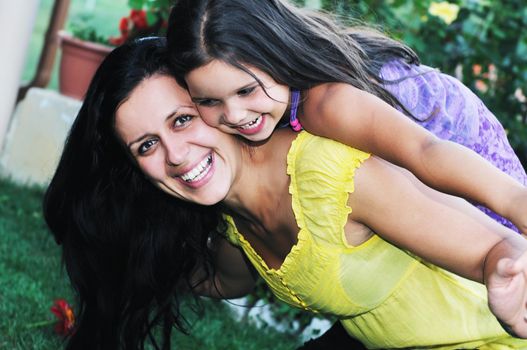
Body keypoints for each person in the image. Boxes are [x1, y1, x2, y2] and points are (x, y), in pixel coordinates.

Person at [44, 37, 527, 350]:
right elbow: (228, 279)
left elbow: (491, 246)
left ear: (215, 106)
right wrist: (125, 259)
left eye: (183, 120)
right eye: (147, 145)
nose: (175, 155)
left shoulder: (330, 175)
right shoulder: (235, 212)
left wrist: (503, 265)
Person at [166, 0, 527, 234]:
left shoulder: (324, 104)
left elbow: (425, 151)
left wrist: (514, 203)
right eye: (209, 101)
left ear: (278, 54)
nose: (234, 114)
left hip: (470, 169)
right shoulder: (286, 90)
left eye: (246, 90)